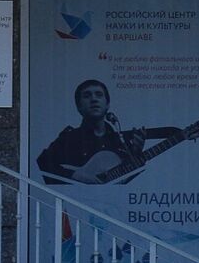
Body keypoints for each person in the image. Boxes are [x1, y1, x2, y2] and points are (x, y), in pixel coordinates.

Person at [36, 79, 185, 186]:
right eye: (87, 96)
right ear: (79, 107)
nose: (94, 99)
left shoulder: (120, 140)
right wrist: (77, 175)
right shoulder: (70, 137)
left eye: (99, 95)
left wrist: (137, 154)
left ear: (107, 105)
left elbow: (124, 180)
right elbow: (43, 162)